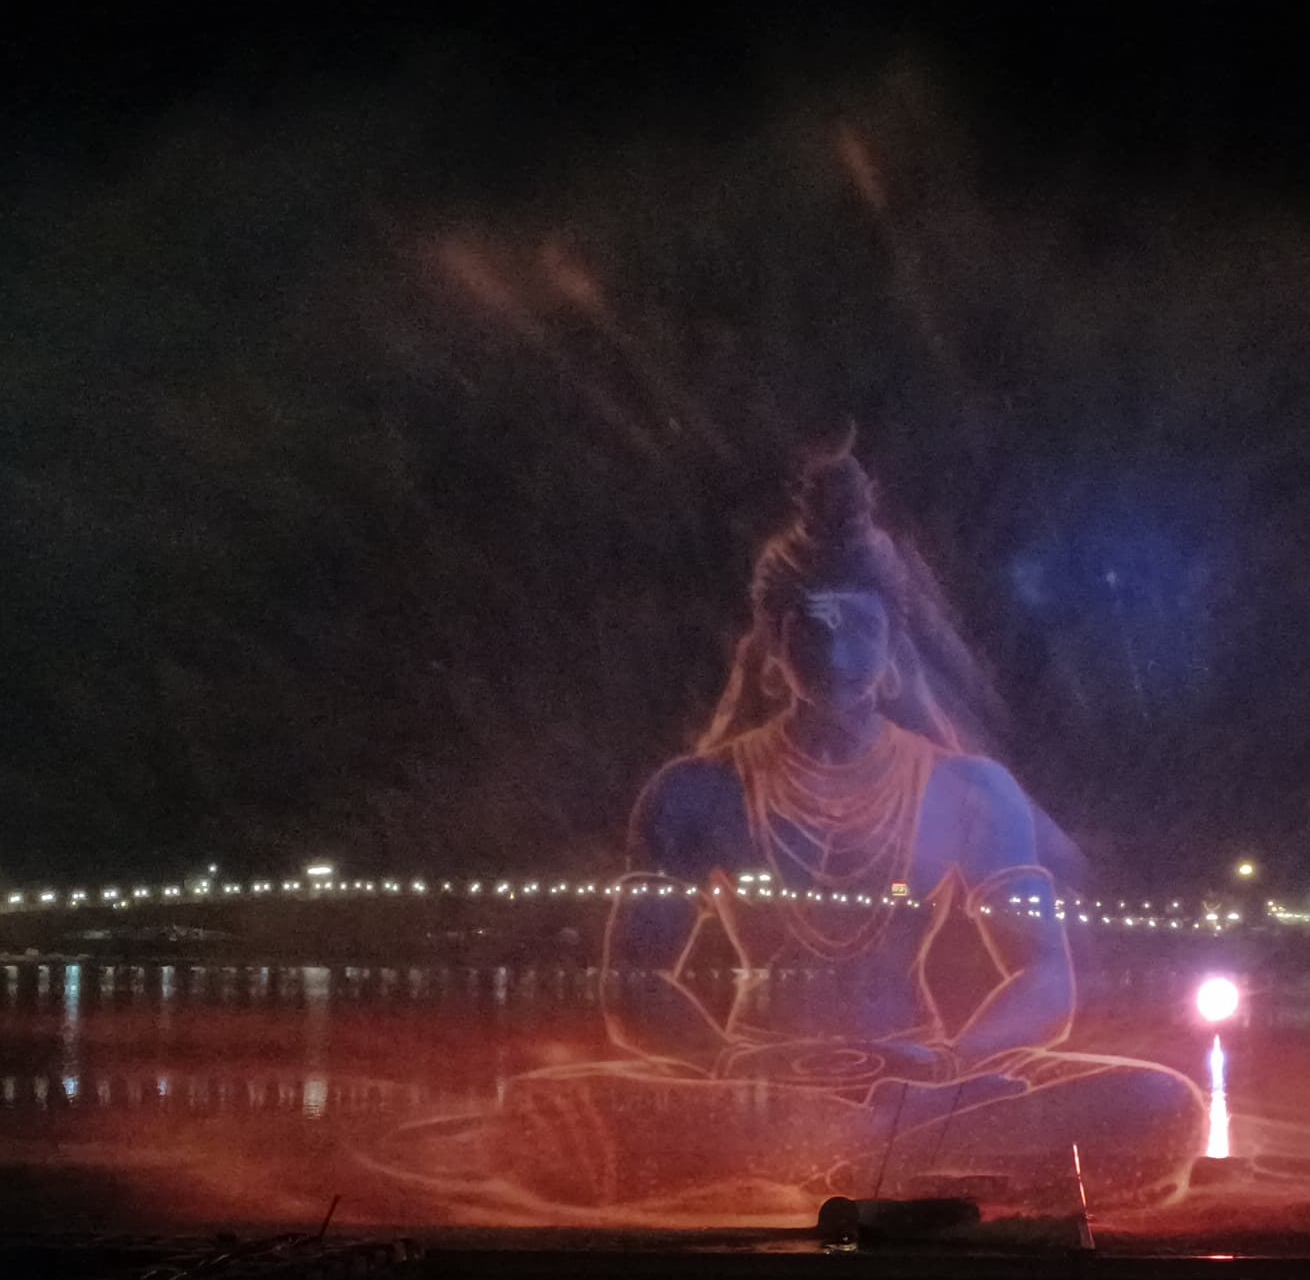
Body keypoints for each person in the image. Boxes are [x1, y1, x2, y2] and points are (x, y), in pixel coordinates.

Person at [389, 451, 1201, 1220]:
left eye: (861, 628)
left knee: (1159, 1103)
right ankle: (890, 1162)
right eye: (810, 628)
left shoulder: (969, 789)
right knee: (544, 1110)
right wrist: (727, 1064)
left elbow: (1044, 980)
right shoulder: (693, 790)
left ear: (892, 651)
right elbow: (636, 982)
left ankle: (840, 1157)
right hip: (748, 1082)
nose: (837, 647)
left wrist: (950, 1064)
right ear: (774, 647)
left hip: (919, 1076)